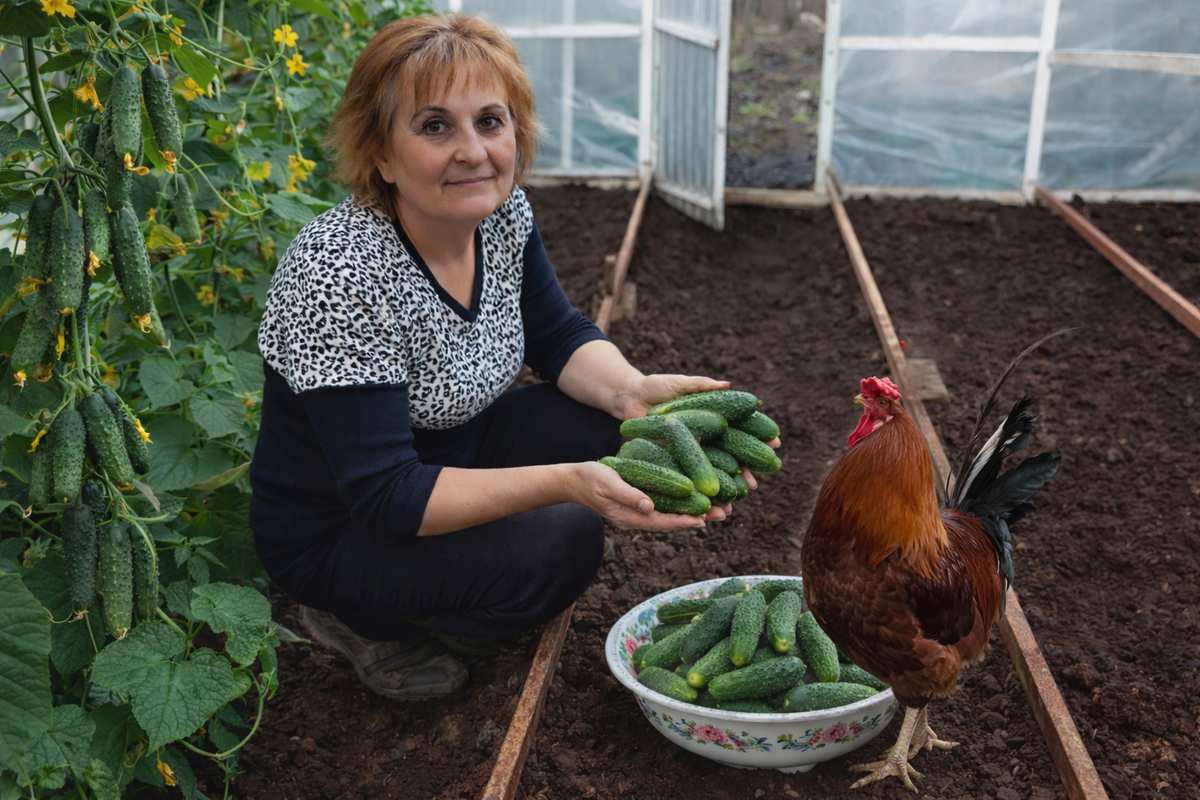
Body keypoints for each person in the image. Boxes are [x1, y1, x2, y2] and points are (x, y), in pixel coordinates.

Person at [249, 12, 772, 701]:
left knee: (627, 430)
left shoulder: (500, 216)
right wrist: (566, 484)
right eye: (435, 126)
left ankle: (459, 579)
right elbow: (386, 493)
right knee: (562, 539)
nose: (473, 150)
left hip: (448, 453)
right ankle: (361, 618)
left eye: (489, 122)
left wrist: (632, 391)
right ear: (381, 153)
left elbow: (557, 337)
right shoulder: (339, 273)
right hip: (342, 525)